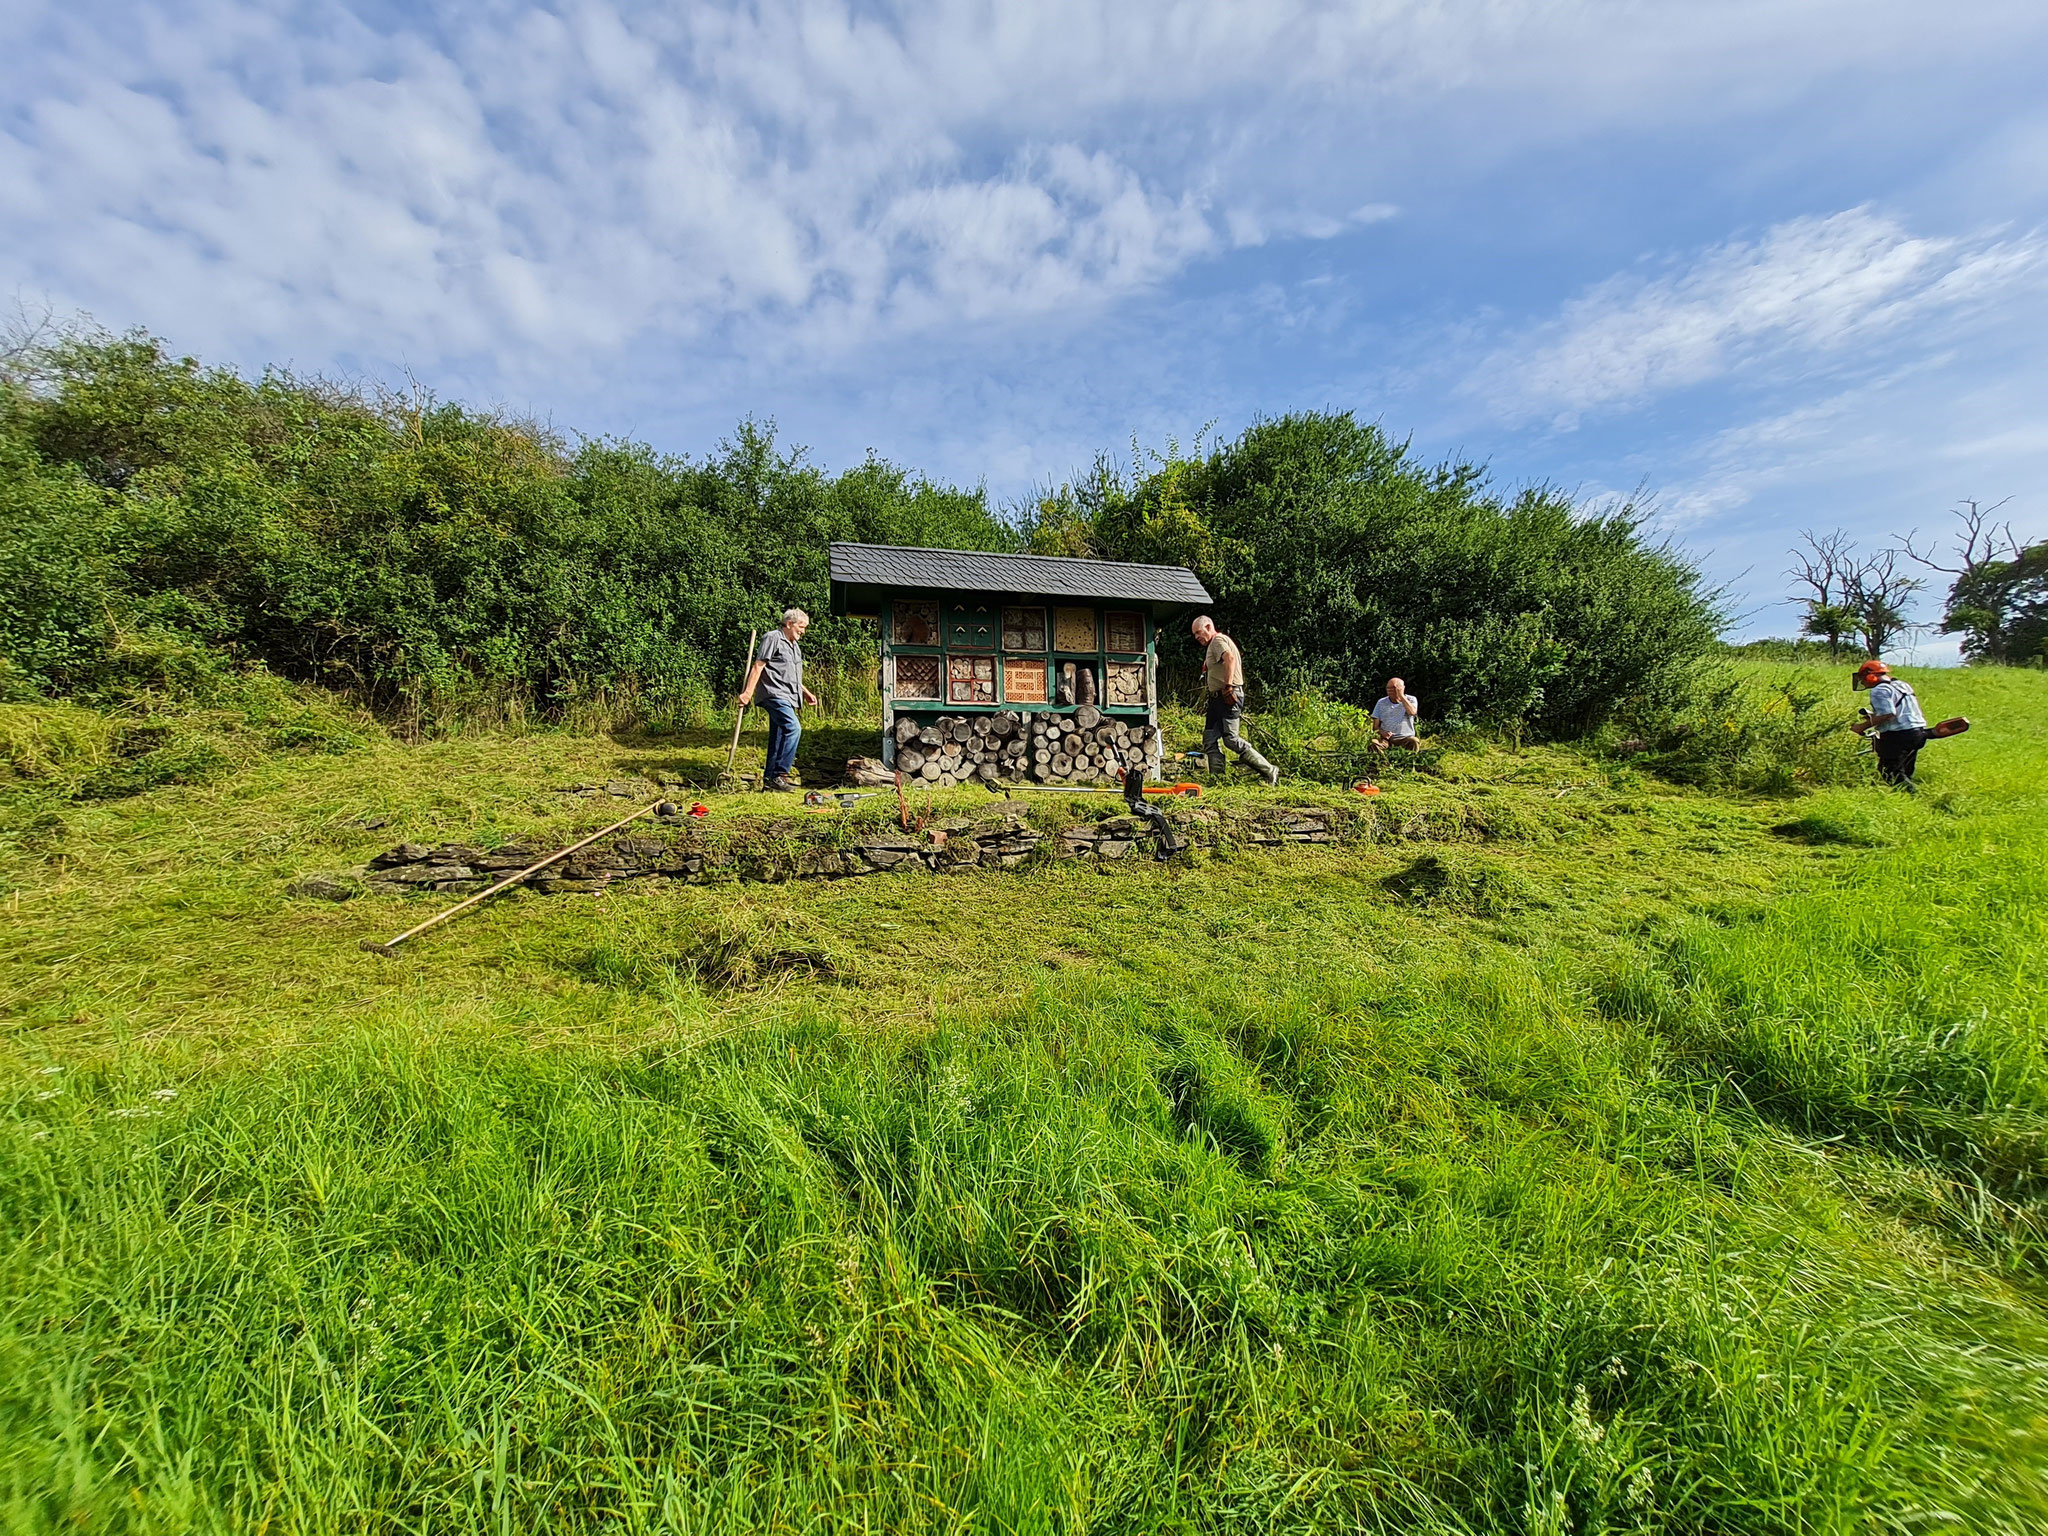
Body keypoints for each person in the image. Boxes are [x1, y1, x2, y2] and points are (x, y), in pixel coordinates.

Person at [1189, 615, 1279, 786]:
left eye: (1198, 632)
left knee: (1230, 738)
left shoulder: (1218, 641)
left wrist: (1228, 686)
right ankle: (1218, 781)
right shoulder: (1214, 644)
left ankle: (1269, 770)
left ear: (1208, 627)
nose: (1197, 637)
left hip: (1227, 696)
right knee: (1210, 739)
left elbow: (1229, 658)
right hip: (1217, 699)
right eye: (1194, 634)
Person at [737, 609, 820, 792]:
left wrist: (805, 692)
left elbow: (792, 675)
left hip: (789, 695)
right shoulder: (773, 638)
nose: (803, 631)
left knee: (779, 735)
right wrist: (747, 693)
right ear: (789, 624)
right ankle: (780, 775)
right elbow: (759, 665)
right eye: (801, 627)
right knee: (793, 728)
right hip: (774, 694)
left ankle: (769, 780)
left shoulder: (794, 646)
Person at [1853, 658, 1928, 789]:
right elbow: (1899, 711)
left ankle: (1917, 796)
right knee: (1905, 771)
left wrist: (1861, 726)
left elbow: (1888, 714)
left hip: (1898, 735)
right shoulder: (1902, 685)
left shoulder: (1879, 690)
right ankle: (1908, 802)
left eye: (1864, 678)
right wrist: (1872, 717)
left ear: (1871, 676)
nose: (1863, 681)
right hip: (1918, 732)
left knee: (1890, 773)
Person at [1370, 677, 1420, 751]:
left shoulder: (1411, 699)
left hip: (1406, 738)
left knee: (1414, 741)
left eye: (1393, 688)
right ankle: (1383, 762)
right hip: (1386, 740)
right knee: (1373, 743)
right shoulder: (1381, 702)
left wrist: (1401, 696)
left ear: (1402, 688)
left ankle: (1410, 761)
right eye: (1388, 688)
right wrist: (1383, 733)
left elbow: (1412, 712)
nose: (1390, 690)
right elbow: (1375, 727)